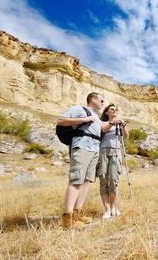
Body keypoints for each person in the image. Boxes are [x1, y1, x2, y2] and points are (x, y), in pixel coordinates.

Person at [57, 92, 104, 228]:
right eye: (101, 100)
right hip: (81, 147)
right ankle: (68, 218)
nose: (103, 103)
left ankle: (78, 213)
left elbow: (101, 129)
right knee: (76, 180)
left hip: (94, 149)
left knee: (86, 180)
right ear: (93, 99)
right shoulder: (79, 109)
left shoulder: (97, 117)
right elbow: (61, 121)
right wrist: (84, 119)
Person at [97, 103, 129, 219]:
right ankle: (107, 210)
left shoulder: (120, 124)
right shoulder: (103, 123)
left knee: (114, 179)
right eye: (112, 109)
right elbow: (103, 130)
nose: (114, 110)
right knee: (103, 178)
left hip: (116, 151)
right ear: (106, 112)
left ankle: (113, 207)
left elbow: (126, 136)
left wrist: (123, 125)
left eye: (116, 109)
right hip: (103, 151)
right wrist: (112, 123)